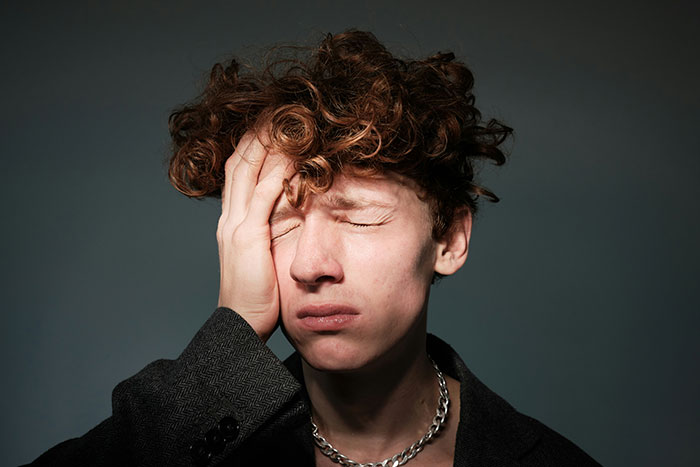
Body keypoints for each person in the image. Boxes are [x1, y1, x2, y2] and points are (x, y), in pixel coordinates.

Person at [27, 30, 600, 466]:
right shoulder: (198, 440)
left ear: (449, 238)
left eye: (358, 219)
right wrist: (235, 329)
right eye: (279, 224)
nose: (310, 266)